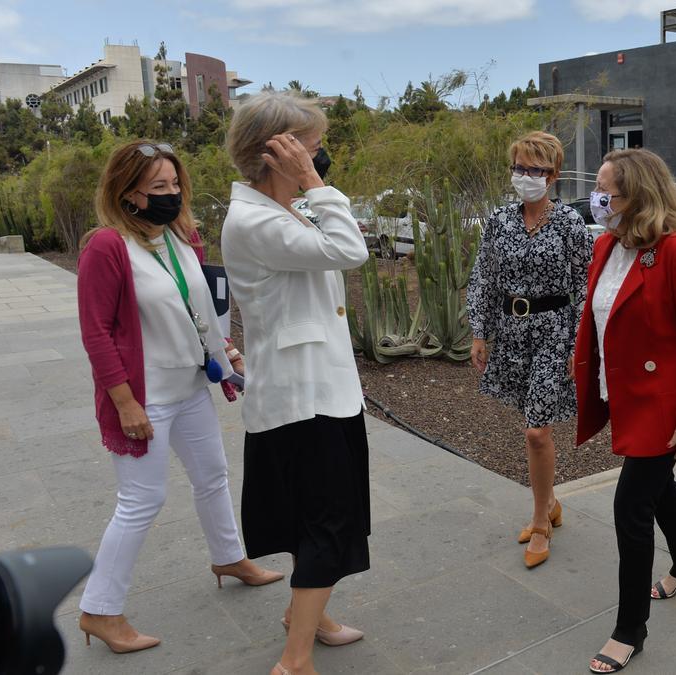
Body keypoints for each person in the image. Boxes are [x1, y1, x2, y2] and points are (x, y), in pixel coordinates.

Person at [75, 140, 283, 654]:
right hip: (145, 397)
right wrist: (125, 404)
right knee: (141, 500)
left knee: (212, 477)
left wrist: (227, 351)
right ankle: (99, 610)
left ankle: (229, 557)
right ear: (127, 195)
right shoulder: (106, 246)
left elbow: (203, 307)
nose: (170, 195)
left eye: (174, 185)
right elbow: (96, 332)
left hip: (190, 387)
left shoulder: (180, 235)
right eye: (157, 188)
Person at [221, 92, 371, 675]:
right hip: (302, 398)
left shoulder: (283, 212)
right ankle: (295, 659)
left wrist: (307, 187)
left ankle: (305, 616)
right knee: (327, 520)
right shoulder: (256, 219)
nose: (320, 157)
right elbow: (348, 248)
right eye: (310, 149)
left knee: (323, 515)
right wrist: (312, 182)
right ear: (274, 154)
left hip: (319, 390)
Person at [574, 149, 676, 673]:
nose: (598, 197)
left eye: (607, 189)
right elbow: (599, 318)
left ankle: (629, 628)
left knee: (631, 507)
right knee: (659, 487)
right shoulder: (608, 245)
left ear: (637, 195)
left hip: (661, 403)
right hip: (622, 391)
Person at [467, 131, 593, 569]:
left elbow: (584, 286)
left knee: (536, 430)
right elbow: (483, 275)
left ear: (553, 176)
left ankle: (540, 520)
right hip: (511, 332)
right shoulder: (500, 220)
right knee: (531, 423)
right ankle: (552, 502)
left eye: (534, 170)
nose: (524, 176)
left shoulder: (570, 224)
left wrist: (580, 345)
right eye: (518, 168)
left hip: (554, 332)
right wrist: (479, 331)